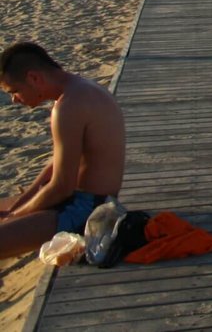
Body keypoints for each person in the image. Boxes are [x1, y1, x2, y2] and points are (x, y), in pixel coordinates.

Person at [0, 43, 126, 259]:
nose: (14, 99)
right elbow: (54, 168)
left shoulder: (68, 107)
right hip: (84, 200)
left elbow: (61, 188)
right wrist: (18, 207)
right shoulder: (81, 89)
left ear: (34, 78)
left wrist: (15, 217)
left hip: (85, 211)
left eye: (15, 91)